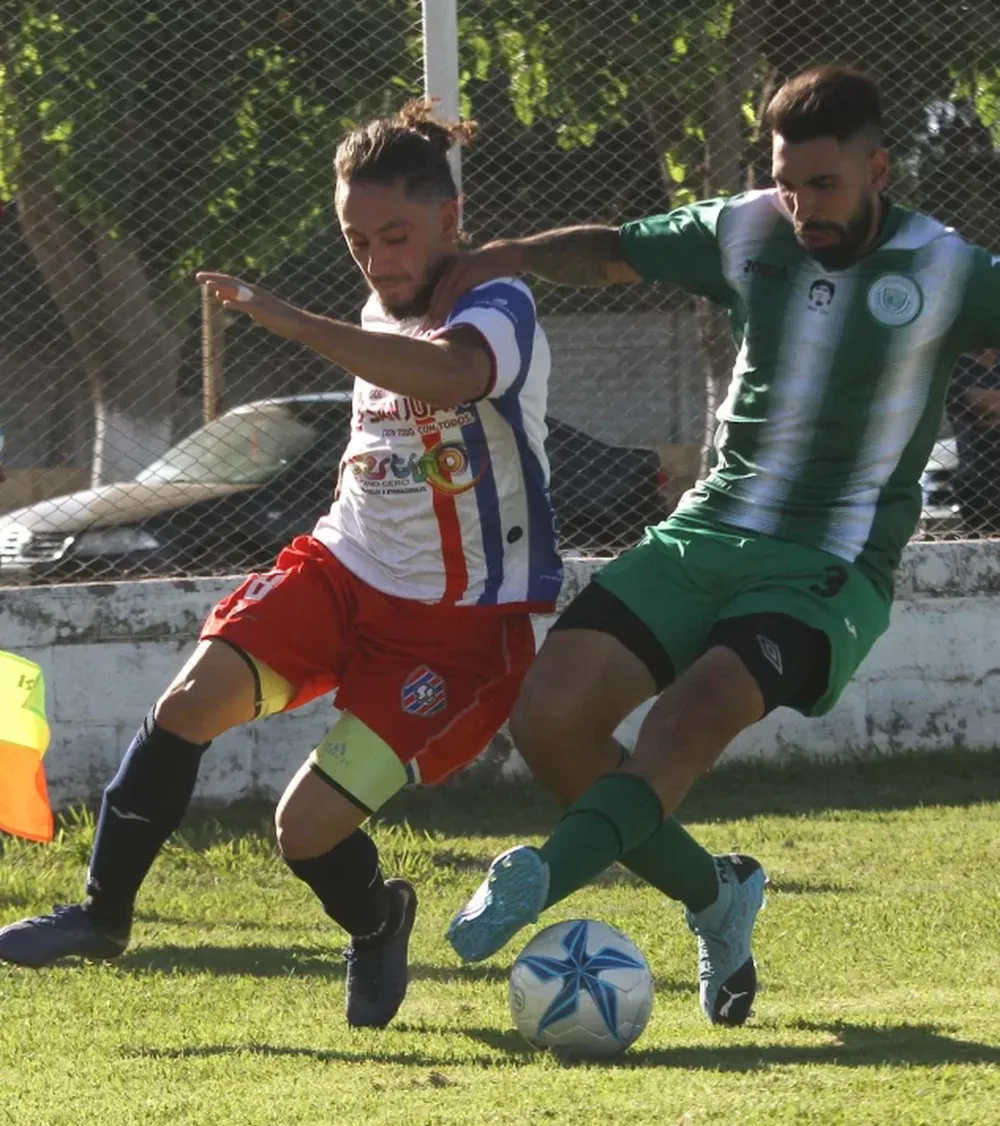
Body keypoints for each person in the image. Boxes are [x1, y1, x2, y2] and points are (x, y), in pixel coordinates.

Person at [428, 65, 1000, 1027]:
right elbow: (613, 253)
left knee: (688, 720)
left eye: (824, 185)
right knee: (551, 720)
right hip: (705, 531)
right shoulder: (749, 229)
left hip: (828, 565)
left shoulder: (946, 271)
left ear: (878, 169)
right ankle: (716, 897)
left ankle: (537, 877)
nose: (802, 206)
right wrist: (507, 253)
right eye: (788, 181)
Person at [0, 102, 563, 1029]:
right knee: (184, 707)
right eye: (357, 239)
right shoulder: (379, 305)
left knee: (303, 833)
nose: (379, 262)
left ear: (450, 223)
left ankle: (379, 918)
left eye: (396, 237)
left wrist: (293, 323)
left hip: (454, 623)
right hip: (340, 571)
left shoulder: (498, 302)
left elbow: (455, 377)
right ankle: (100, 919)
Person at [946, 349, 1000, 534]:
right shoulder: (960, 365)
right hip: (979, 474)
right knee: (982, 537)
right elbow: (978, 401)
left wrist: (988, 414)